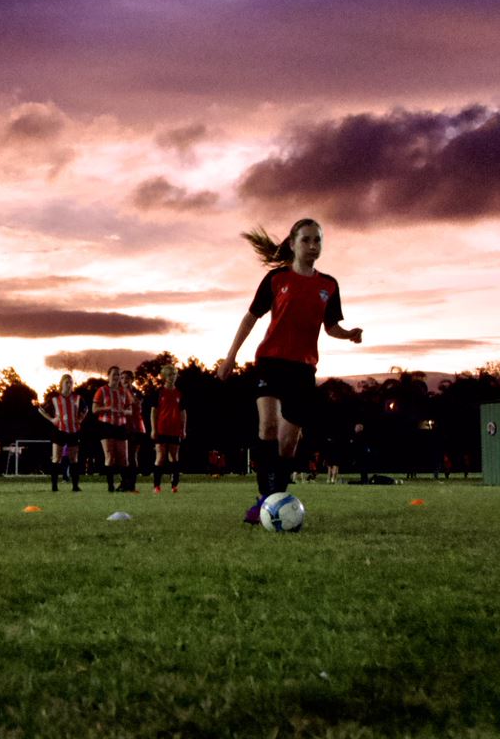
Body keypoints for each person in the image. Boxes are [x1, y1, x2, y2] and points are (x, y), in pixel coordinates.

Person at [218, 218, 364, 524]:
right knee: (267, 427)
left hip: (303, 370)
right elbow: (250, 318)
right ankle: (262, 502)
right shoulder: (276, 279)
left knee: (289, 443)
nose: (313, 246)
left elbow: (331, 326)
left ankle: (277, 499)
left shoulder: (329, 285)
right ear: (293, 243)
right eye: (307, 240)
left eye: (318, 240)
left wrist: (347, 333)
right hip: (270, 362)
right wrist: (231, 356)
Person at [91, 366, 142, 492]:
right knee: (109, 456)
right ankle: (110, 486)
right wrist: (108, 408)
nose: (116, 377)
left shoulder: (123, 392)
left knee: (123, 458)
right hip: (106, 426)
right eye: (114, 374)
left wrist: (123, 411)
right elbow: (94, 410)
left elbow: (130, 411)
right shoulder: (102, 390)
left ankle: (125, 485)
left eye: (118, 375)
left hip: (121, 425)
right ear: (108, 376)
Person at [146, 362, 187, 493]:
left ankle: (174, 485)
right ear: (164, 376)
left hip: (175, 430)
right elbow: (153, 412)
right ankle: (156, 486)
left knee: (174, 457)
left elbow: (183, 413)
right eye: (169, 375)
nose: (172, 377)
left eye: (174, 374)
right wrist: (153, 429)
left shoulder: (180, 394)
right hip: (161, 429)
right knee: (160, 457)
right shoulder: (159, 393)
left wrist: (183, 428)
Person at [41, 373, 84, 492]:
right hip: (59, 430)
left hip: (73, 431)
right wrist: (52, 419)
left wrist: (79, 420)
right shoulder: (55, 398)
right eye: (67, 382)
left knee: (74, 458)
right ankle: (54, 486)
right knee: (56, 458)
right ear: (62, 383)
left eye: (71, 382)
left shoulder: (77, 398)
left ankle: (75, 486)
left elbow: (85, 409)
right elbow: (41, 409)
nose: (69, 385)